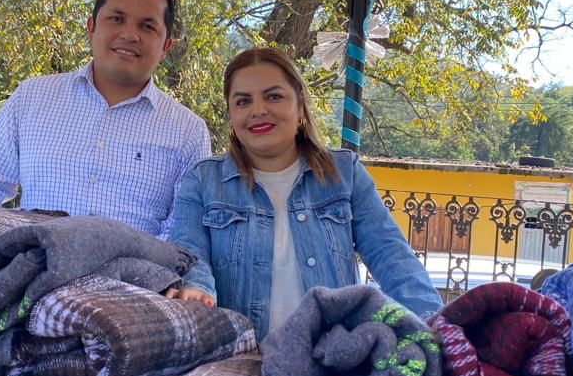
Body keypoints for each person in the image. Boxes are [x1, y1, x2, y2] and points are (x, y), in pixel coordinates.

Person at [168, 47, 442, 340]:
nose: (258, 110)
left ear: (299, 105)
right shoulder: (203, 180)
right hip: (241, 355)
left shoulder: (345, 173)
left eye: (274, 96)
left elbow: (390, 254)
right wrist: (197, 288)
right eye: (243, 101)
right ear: (232, 114)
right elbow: (189, 253)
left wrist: (434, 324)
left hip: (333, 355)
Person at [0, 0, 211, 239]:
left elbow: (182, 232)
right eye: (116, 18)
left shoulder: (188, 131)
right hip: (32, 264)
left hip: (138, 268)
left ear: (165, 47)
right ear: (91, 28)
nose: (130, 34)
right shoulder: (32, 98)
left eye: (147, 26)